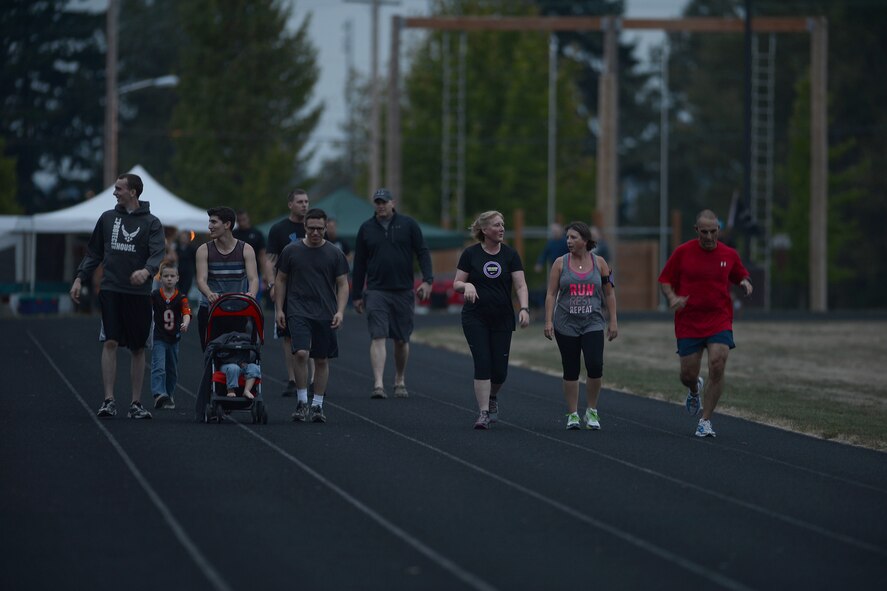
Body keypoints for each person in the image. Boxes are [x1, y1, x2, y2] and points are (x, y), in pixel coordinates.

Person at [69, 172, 165, 419]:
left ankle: (135, 403)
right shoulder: (107, 218)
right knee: (110, 341)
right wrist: (80, 278)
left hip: (139, 294)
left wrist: (146, 271)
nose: (115, 192)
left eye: (119, 188)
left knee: (137, 347)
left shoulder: (152, 223)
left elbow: (157, 254)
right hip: (111, 289)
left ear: (133, 191)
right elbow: (93, 254)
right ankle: (109, 400)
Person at [658, 209, 753, 438]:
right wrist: (672, 298)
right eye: (704, 232)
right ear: (696, 230)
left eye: (713, 232)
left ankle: (706, 421)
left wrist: (744, 282)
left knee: (718, 363)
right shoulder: (682, 253)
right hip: (689, 321)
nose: (709, 237)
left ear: (719, 230)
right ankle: (693, 389)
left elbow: (740, 273)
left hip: (718, 318)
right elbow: (665, 280)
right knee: (687, 375)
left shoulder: (729, 254)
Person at [352, 188, 433, 399]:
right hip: (376, 290)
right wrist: (357, 294)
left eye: (384, 202)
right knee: (378, 335)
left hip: (403, 290)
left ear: (392, 203)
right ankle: (378, 384)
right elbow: (359, 263)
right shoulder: (366, 228)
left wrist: (428, 280)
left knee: (401, 340)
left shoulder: (408, 225)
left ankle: (399, 379)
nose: (380, 205)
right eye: (377, 202)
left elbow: (422, 252)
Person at [453, 210, 530, 429]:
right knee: (483, 363)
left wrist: (524, 308)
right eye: (496, 225)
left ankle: (492, 397)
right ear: (484, 230)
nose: (501, 228)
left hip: (502, 318)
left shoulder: (510, 255)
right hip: (475, 317)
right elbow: (456, 283)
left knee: (499, 372)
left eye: (503, 224)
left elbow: (521, 285)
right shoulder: (470, 254)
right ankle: (483, 412)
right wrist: (467, 285)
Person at [274, 208, 350, 423]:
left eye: (319, 229)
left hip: (325, 311)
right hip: (297, 309)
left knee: (322, 359)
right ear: (304, 228)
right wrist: (279, 309)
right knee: (300, 354)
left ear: (326, 229)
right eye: (311, 228)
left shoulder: (335, 253)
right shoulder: (291, 251)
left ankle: (317, 405)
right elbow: (280, 279)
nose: (315, 232)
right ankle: (301, 401)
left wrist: (340, 311)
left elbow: (343, 284)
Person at [544, 221, 618, 430]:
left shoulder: (601, 263)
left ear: (585, 241)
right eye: (567, 237)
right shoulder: (560, 263)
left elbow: (609, 293)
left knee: (595, 365)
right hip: (566, 323)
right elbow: (551, 294)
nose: (568, 241)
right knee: (571, 368)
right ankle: (573, 413)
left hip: (593, 322)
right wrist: (548, 320)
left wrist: (613, 320)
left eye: (573, 237)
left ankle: (592, 411)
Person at [195, 206, 260, 350]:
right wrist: (209, 293)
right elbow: (201, 280)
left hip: (238, 310)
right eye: (209, 222)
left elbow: (253, 278)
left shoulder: (246, 249)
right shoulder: (204, 250)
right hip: (211, 309)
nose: (209, 226)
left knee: (239, 352)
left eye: (213, 222)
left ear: (227, 224)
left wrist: (251, 294)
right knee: (211, 354)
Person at [266, 189, 310, 396]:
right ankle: (293, 378)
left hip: (311, 288)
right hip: (287, 287)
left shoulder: (315, 227)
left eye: (307, 201)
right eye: (300, 201)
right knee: (287, 335)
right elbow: (270, 260)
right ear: (290, 204)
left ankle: (311, 378)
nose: (304, 205)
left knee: (312, 332)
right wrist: (272, 285)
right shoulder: (279, 229)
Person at [150, 263, 192, 410]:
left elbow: (187, 313)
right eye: (166, 276)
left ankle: (169, 394)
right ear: (160, 278)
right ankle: (159, 394)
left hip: (174, 338)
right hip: (159, 337)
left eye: (172, 276)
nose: (169, 279)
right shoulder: (155, 295)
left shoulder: (181, 297)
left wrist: (185, 323)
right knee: (159, 367)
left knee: (172, 369)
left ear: (177, 278)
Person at [233, 209, 274, 301]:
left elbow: (262, 255)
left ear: (248, 219)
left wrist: (264, 275)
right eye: (239, 220)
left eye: (244, 219)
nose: (242, 222)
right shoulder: (233, 234)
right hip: (237, 274)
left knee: (254, 300)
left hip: (255, 273)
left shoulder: (257, 234)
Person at [173, 230, 197, 297]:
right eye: (182, 237)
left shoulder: (192, 249)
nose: (183, 239)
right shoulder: (176, 248)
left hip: (188, 272)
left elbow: (195, 261)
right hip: (178, 272)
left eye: (185, 237)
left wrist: (195, 273)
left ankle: (184, 304)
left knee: (185, 291)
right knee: (177, 290)